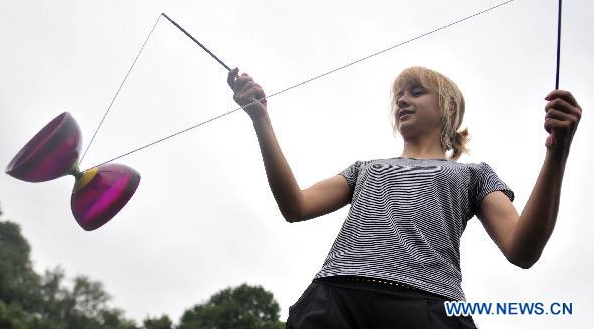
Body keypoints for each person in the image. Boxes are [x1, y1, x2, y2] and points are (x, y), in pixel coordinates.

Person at [226, 66, 582, 328]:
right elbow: (296, 206)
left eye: (416, 91)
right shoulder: (364, 168)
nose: (402, 99)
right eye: (399, 95)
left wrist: (557, 152)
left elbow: (522, 250)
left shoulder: (474, 175)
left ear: (448, 108)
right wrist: (261, 119)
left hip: (428, 307)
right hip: (334, 299)